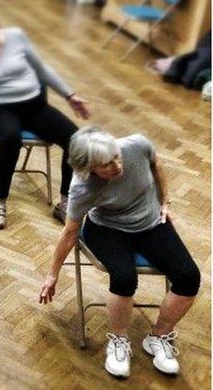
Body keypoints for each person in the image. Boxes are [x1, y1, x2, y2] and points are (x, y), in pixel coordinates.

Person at [39, 127, 200, 379]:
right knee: (124, 279)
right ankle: (119, 341)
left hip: (150, 222)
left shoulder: (137, 144)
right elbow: (70, 232)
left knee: (189, 277)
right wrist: (52, 275)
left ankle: (158, 336)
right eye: (106, 164)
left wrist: (165, 201)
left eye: (116, 157)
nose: (116, 165)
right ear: (90, 169)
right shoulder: (82, 187)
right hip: (107, 229)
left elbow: (157, 164)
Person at [0, 6, 91, 228]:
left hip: (35, 107)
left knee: (76, 140)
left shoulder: (16, 37)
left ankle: (66, 201)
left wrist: (69, 95)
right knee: (11, 138)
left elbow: (43, 70)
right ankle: (0, 201)